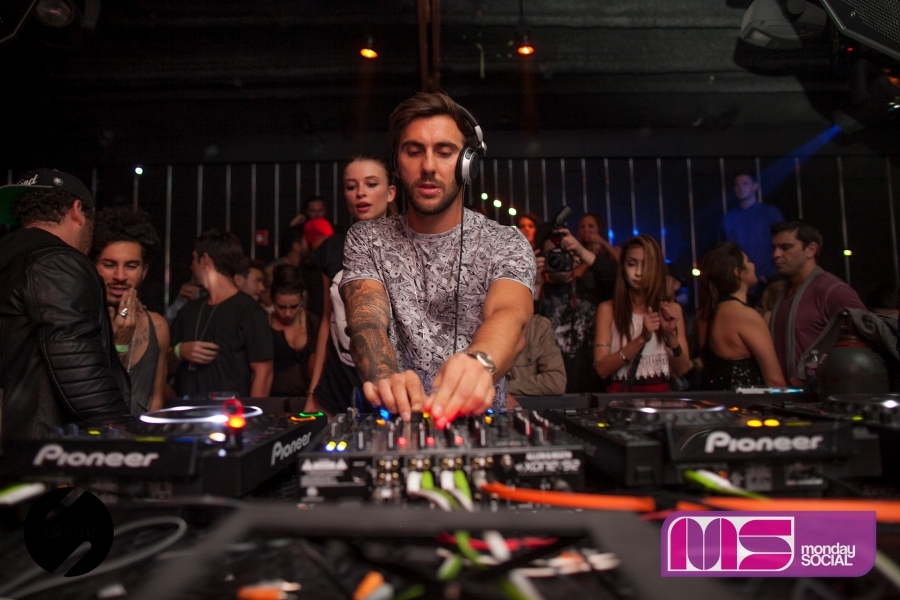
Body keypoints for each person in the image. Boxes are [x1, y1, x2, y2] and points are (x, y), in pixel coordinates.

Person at [340, 92, 535, 426]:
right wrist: (385, 377)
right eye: (414, 151)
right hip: (397, 424)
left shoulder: (506, 242)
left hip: (479, 428)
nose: (428, 166)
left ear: (468, 163)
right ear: (397, 163)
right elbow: (366, 320)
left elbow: (510, 315)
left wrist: (479, 363)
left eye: (444, 152)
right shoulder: (367, 239)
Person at [0, 169, 130, 440]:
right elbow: (79, 369)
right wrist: (122, 437)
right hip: (45, 449)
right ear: (77, 210)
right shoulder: (57, 261)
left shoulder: (9, 258)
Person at [306, 156, 397, 415]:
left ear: (390, 193)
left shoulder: (408, 246)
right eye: (351, 186)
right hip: (338, 386)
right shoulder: (332, 248)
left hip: (393, 384)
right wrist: (313, 392)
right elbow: (328, 320)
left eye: (371, 184)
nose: (360, 193)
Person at [170, 230, 274, 398]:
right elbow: (164, 363)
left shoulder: (250, 311)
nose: (191, 266)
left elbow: (264, 372)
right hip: (188, 409)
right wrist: (179, 351)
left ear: (205, 260)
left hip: (231, 410)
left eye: (194, 259)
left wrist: (252, 412)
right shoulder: (189, 310)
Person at [92, 207, 171, 413]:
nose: (120, 276)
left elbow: (155, 405)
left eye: (131, 266)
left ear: (144, 271)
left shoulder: (158, 327)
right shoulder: (79, 323)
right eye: (109, 264)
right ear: (93, 266)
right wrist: (119, 346)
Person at [770, 220, 866, 382]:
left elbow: (867, 342)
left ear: (811, 250)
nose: (776, 254)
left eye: (785, 247)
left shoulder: (832, 290)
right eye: (774, 248)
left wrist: (820, 378)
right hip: (791, 393)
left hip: (824, 393)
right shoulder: (783, 292)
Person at [593, 234, 691, 392]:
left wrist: (670, 335)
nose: (639, 272)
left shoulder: (671, 309)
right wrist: (641, 339)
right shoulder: (609, 309)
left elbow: (682, 369)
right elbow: (601, 369)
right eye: (632, 264)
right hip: (623, 396)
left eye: (646, 265)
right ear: (623, 267)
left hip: (661, 397)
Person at [534, 224, 615, 393]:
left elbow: (616, 276)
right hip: (548, 392)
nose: (558, 258)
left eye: (564, 252)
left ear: (574, 256)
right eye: (552, 254)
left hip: (592, 390)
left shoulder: (591, 287)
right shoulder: (537, 294)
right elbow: (524, 330)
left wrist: (582, 251)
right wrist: (535, 284)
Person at [697, 243, 786, 390]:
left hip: (717, 400)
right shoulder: (743, 315)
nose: (753, 265)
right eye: (748, 261)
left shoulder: (706, 315)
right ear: (737, 272)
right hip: (745, 403)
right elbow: (774, 380)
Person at [719, 172, 784, 298]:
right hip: (740, 281)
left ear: (755, 186)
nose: (740, 188)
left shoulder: (770, 213)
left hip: (770, 278)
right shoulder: (728, 219)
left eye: (745, 184)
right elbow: (724, 250)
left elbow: (782, 242)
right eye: (737, 185)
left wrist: (772, 273)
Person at [269, 264, 320, 396]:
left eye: (293, 306)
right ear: (272, 300)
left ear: (302, 299)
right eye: (281, 307)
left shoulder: (313, 322)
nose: (287, 313)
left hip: (307, 397)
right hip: (271, 399)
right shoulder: (264, 324)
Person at [506, 315, 567, 396]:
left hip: (525, 403)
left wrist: (504, 388)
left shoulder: (538, 327)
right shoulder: (488, 329)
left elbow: (556, 382)